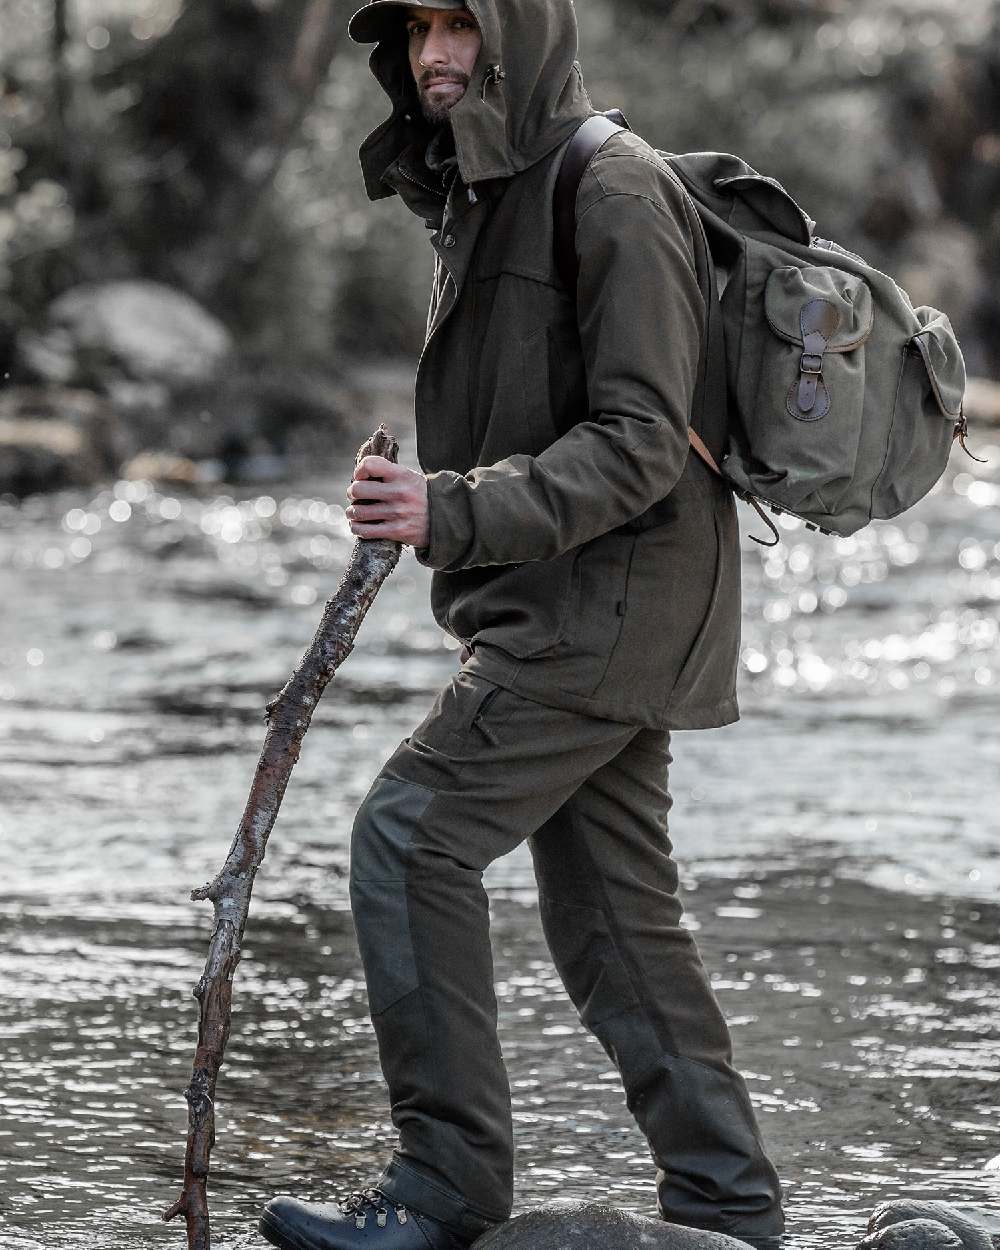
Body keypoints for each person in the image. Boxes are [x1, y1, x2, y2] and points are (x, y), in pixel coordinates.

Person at [259, 3, 785, 1249]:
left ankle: (441, 1190)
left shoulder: (610, 187)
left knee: (408, 833)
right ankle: (728, 1206)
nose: (433, 55)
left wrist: (443, 507)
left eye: (461, 26)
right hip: (583, 602)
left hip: (612, 605)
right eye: (417, 31)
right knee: (610, 910)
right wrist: (446, 512)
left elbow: (644, 442)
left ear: (521, 35)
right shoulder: (488, 184)